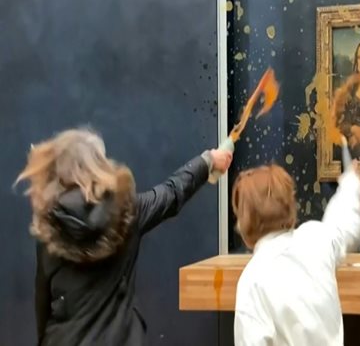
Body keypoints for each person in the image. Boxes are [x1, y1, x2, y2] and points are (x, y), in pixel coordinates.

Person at [15, 127, 232, 346]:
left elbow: (43, 303)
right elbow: (172, 192)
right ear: (99, 166)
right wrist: (207, 161)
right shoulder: (128, 211)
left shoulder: (50, 226)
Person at [232, 162, 360, 346]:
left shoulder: (252, 280)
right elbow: (344, 224)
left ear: (244, 223)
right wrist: (351, 183)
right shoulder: (316, 240)